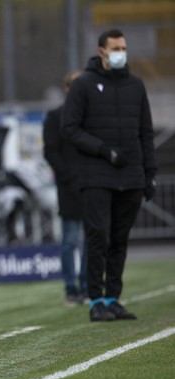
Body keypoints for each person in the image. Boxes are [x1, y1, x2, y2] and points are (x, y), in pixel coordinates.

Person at [62, 29, 157, 322]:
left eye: (124, 47)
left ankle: (113, 297)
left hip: (130, 177)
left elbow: (145, 131)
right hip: (97, 175)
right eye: (115, 48)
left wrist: (149, 173)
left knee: (119, 239)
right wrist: (104, 150)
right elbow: (70, 128)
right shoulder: (84, 86)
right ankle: (96, 300)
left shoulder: (136, 86)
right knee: (98, 236)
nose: (121, 52)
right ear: (101, 51)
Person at [43, 70, 88, 306]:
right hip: (69, 187)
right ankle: (71, 288)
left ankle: (87, 286)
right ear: (66, 89)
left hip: (91, 186)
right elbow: (50, 151)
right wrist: (69, 177)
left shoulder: (92, 117)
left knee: (93, 239)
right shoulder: (55, 117)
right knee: (70, 240)